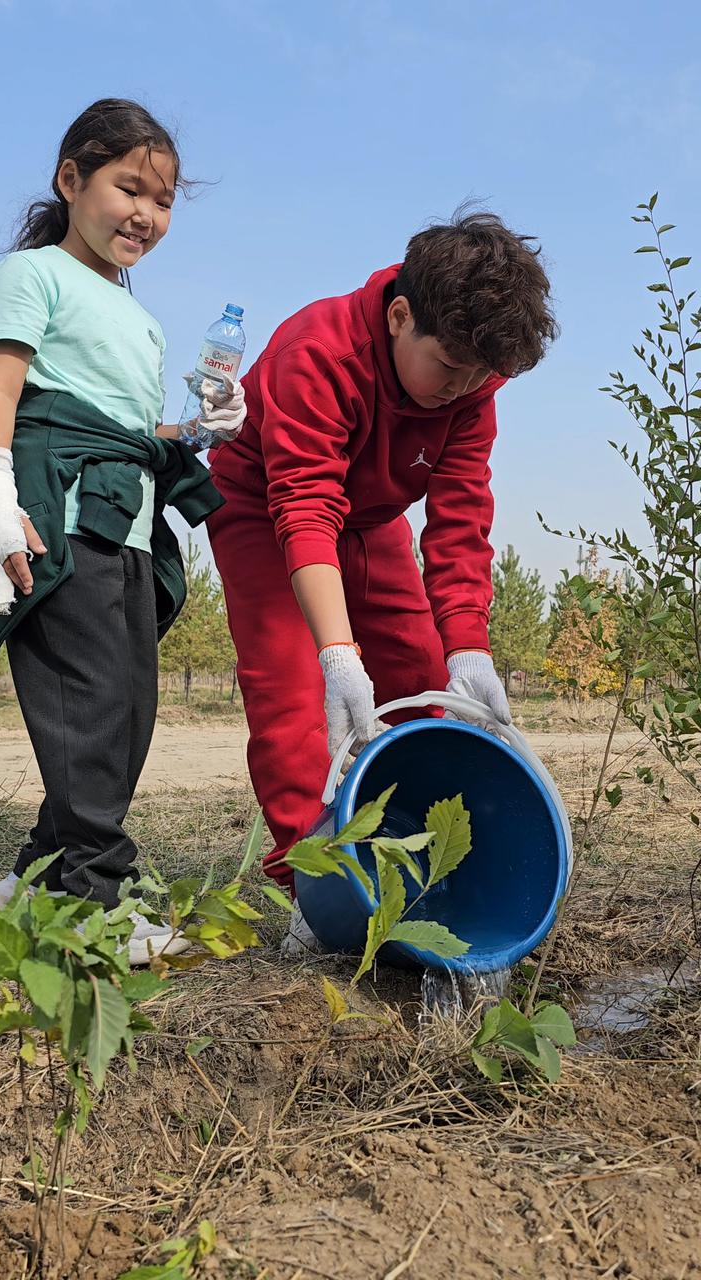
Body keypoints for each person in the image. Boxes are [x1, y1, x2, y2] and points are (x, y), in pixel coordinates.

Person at [206, 210, 557, 951]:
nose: (461, 390)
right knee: (297, 699)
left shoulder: (471, 385)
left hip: (371, 520)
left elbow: (461, 515)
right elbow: (304, 503)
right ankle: (318, 884)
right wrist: (336, 652)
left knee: (422, 676)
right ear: (400, 316)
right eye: (450, 368)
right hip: (266, 505)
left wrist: (469, 648)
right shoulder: (319, 348)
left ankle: (429, 866)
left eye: (480, 378)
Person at [0, 98, 245, 964]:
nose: (145, 214)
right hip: (61, 522)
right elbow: (3, 387)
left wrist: (195, 432)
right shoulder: (33, 274)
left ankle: (35, 880)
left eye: (162, 201)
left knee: (125, 718)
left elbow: (125, 428)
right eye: (128, 187)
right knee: (88, 714)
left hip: (126, 528)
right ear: (71, 180)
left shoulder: (141, 316)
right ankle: (97, 907)